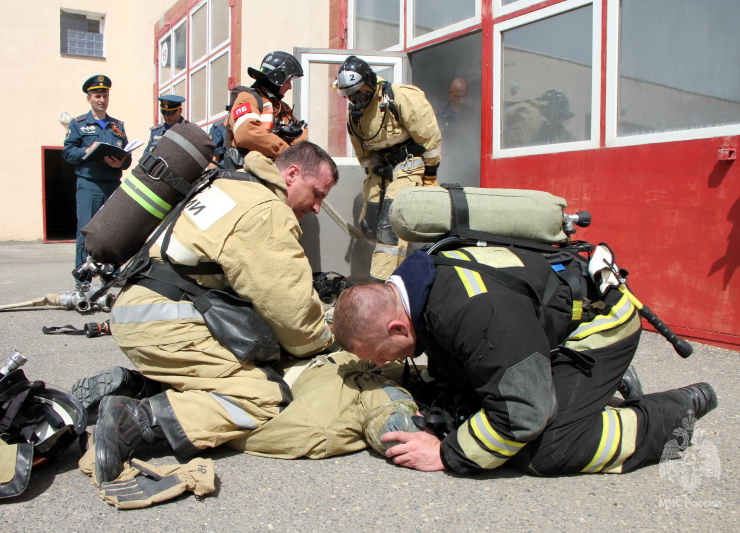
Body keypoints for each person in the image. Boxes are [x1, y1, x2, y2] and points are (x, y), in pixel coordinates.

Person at [332, 243, 718, 477]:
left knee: (545, 449)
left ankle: (672, 413)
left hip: (600, 326)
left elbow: (523, 413)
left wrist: (447, 453)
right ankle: (585, 387)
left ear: (399, 328)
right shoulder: (419, 288)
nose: (382, 365)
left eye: (380, 356)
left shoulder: (475, 314)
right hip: (534, 333)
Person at [89, 142, 339, 483]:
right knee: (263, 394)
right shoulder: (265, 210)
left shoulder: (228, 183)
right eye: (317, 193)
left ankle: (138, 386)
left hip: (140, 308)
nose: (318, 207)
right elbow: (290, 314)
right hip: (166, 321)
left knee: (242, 362)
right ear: (292, 174)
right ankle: (136, 418)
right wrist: (324, 338)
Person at [334, 56, 442, 282]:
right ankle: (407, 266)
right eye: (349, 95)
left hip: (407, 168)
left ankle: (382, 285)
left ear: (370, 82)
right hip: (380, 172)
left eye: (359, 92)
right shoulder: (354, 112)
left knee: (389, 229)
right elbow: (361, 149)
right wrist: (371, 170)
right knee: (370, 225)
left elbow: (429, 137)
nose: (355, 99)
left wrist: (430, 175)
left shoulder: (401, 96)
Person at [63, 75, 132, 286]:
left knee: (114, 230)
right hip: (89, 184)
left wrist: (119, 163)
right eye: (97, 96)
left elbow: (127, 157)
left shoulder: (117, 126)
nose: (101, 99)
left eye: (105, 95)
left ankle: (111, 275)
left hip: (112, 184)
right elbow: (68, 153)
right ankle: (83, 278)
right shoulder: (79, 124)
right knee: (87, 231)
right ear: (89, 98)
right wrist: (87, 150)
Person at [224, 51, 307, 169]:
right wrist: (286, 152)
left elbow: (301, 137)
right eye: (288, 81)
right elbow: (247, 133)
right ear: (277, 79)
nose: (289, 87)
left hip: (273, 171)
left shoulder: (282, 108)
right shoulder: (248, 98)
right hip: (247, 173)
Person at [435, 77, 480, 183]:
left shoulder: (475, 114)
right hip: (449, 167)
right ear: (449, 93)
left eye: (463, 96)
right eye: (457, 96)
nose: (461, 100)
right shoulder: (439, 116)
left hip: (471, 168)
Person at [503, 89, 573, 149]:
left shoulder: (534, 110)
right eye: (559, 117)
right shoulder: (532, 116)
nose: (558, 122)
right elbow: (513, 147)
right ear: (553, 110)